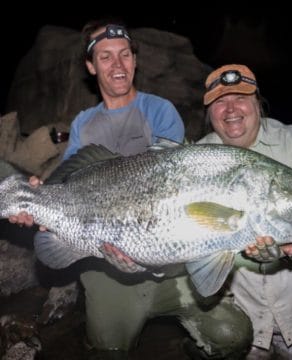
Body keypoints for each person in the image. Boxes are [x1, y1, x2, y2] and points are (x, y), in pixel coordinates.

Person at [8, 22, 253, 359]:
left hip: (169, 265)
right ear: (91, 67)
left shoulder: (160, 110)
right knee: (107, 350)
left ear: (135, 62)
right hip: (105, 267)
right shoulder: (83, 123)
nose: (117, 65)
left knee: (231, 336)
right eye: (106, 57)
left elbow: (165, 188)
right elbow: (73, 182)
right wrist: (37, 199)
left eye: (125, 55)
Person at [197, 64, 292, 359]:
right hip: (246, 320)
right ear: (209, 112)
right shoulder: (198, 158)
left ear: (258, 103)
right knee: (224, 338)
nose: (230, 109)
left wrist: (289, 248)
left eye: (240, 97)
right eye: (219, 101)